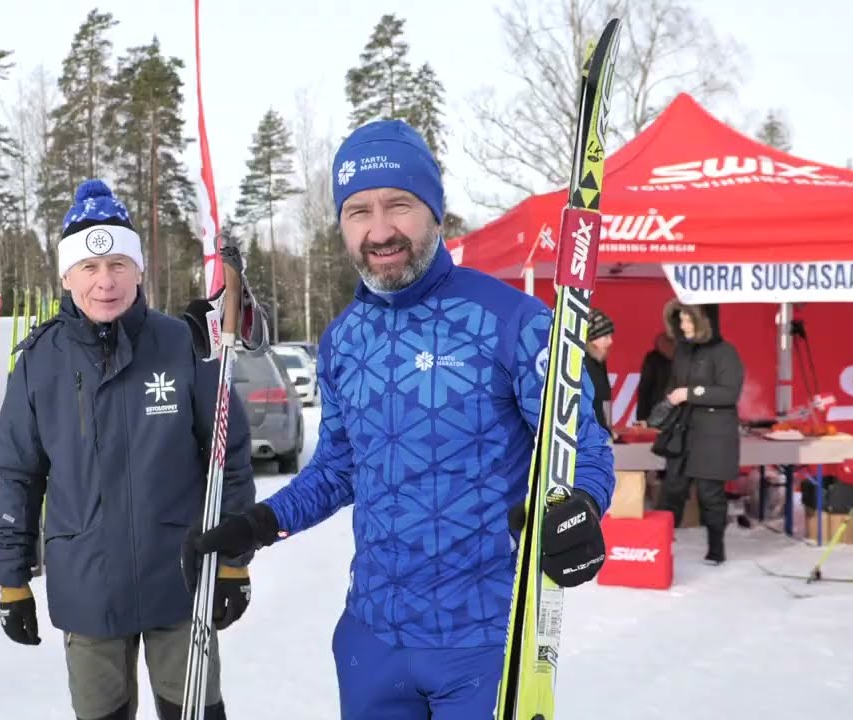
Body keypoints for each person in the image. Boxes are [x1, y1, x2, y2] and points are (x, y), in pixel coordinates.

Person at [180, 119, 615, 719]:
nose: (380, 230)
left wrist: (582, 507)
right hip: (373, 640)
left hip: (485, 641)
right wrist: (257, 524)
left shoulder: (512, 321)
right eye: (358, 211)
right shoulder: (342, 341)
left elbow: (582, 446)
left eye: (399, 205)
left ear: (435, 212)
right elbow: (339, 469)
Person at [0, 179, 256, 720]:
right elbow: (18, 477)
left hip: (180, 579)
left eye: (117, 264)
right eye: (89, 269)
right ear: (67, 276)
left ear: (139, 269)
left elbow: (227, 455)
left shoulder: (183, 344)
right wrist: (11, 581)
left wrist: (232, 563)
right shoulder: (39, 362)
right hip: (87, 586)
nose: (105, 282)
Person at [658, 300, 744, 565]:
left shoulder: (725, 352)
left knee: (710, 494)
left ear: (702, 321)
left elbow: (730, 392)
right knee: (672, 489)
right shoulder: (683, 351)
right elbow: (675, 383)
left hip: (714, 434)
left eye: (687, 320)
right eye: (680, 320)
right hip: (684, 432)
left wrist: (691, 393)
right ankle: (660, 546)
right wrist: (669, 399)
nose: (683, 326)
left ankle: (716, 549)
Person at [585, 308, 615, 436]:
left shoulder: (598, 361)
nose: (610, 341)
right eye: (606, 336)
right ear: (592, 338)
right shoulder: (583, 365)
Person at [635, 331, 675, 425]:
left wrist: (642, 417)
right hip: (660, 415)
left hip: (660, 415)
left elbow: (644, 388)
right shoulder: (654, 358)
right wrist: (642, 417)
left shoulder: (653, 358)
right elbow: (644, 388)